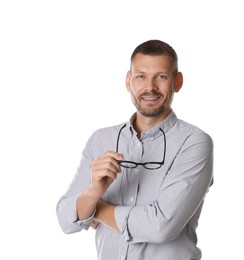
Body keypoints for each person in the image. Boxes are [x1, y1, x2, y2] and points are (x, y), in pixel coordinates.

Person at [56, 39, 214, 260]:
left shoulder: (194, 143)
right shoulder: (101, 139)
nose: (150, 87)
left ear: (177, 82)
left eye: (161, 76)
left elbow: (161, 226)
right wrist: (93, 192)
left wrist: (95, 209)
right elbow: (65, 220)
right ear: (128, 81)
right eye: (141, 76)